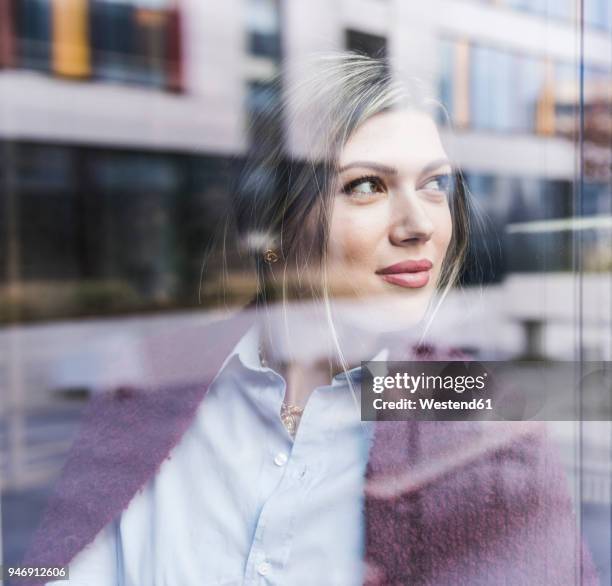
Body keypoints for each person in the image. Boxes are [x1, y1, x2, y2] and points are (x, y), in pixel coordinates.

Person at [22, 53, 597, 586]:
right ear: (273, 226)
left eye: (434, 184)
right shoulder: (150, 382)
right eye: (367, 186)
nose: (418, 224)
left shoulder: (492, 420)